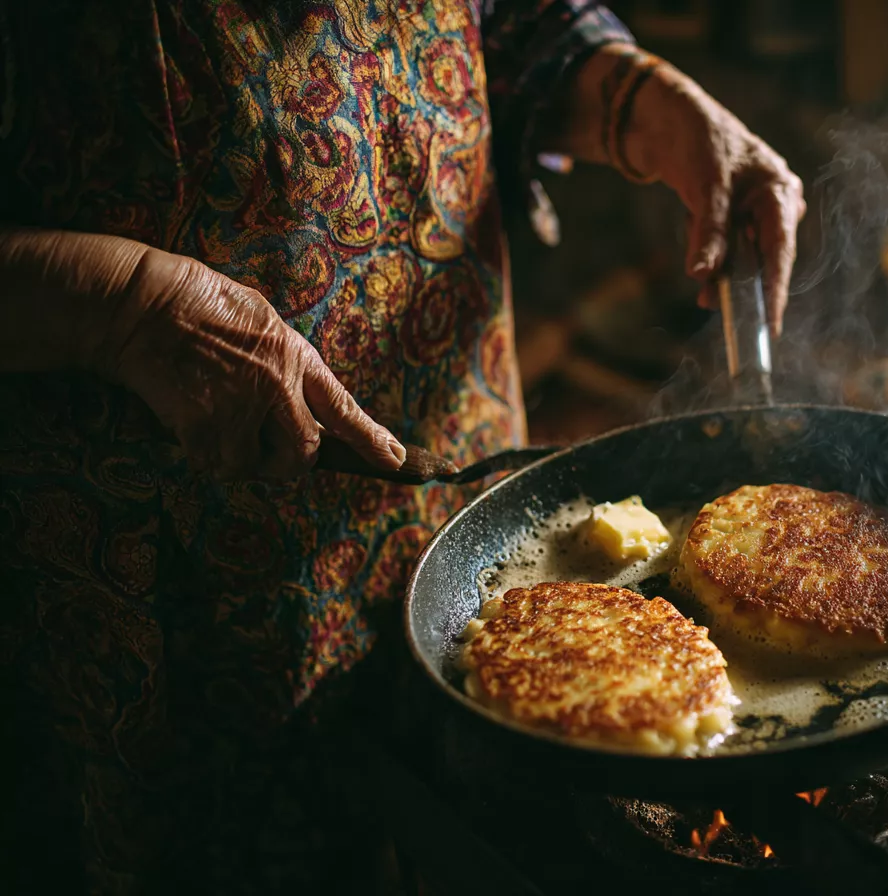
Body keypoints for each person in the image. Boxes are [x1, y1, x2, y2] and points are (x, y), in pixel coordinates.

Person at [0, 1, 805, 892]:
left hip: (475, 514)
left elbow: (503, 22)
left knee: (471, 825)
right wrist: (128, 309)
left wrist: (644, 99)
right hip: (172, 570)